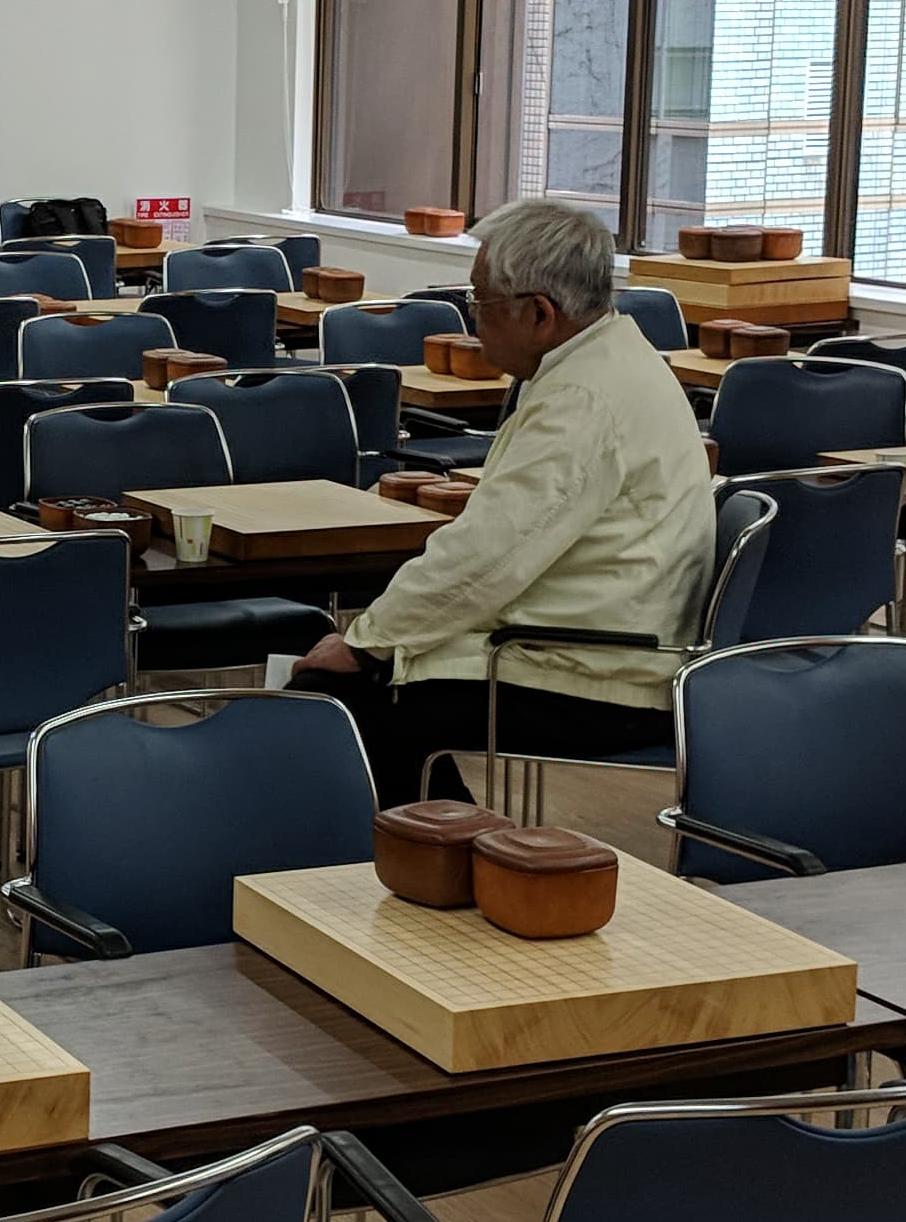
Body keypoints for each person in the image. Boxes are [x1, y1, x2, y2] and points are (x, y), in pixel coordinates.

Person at [294, 196, 714, 805]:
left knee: (333, 703)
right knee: (370, 689)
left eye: (481, 302)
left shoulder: (583, 398)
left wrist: (365, 642)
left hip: (595, 675)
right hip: (589, 644)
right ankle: (442, 840)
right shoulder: (614, 357)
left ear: (539, 312)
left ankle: (434, 849)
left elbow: (487, 559)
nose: (473, 320)